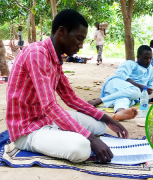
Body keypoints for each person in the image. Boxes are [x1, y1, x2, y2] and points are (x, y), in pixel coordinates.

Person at [6, 9, 128, 164]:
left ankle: (61, 134)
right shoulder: (37, 54)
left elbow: (71, 99)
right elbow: (50, 105)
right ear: (62, 31)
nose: (81, 45)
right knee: (82, 147)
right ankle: (59, 136)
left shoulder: (55, 58)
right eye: (78, 39)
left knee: (101, 126)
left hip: (47, 119)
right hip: (27, 130)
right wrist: (89, 138)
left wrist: (109, 119)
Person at [87, 45, 153, 121]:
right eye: (145, 58)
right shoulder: (130, 64)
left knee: (124, 99)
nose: (148, 60)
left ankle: (120, 112)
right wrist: (139, 86)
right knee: (136, 91)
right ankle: (98, 100)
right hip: (115, 84)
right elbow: (119, 74)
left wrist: (152, 96)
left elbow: (146, 90)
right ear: (138, 57)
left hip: (127, 94)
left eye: (150, 58)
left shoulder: (150, 70)